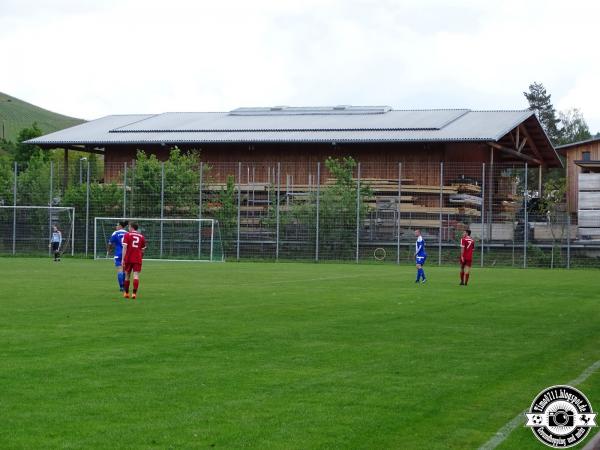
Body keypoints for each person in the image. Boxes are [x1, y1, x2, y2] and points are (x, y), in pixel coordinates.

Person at [122, 221, 147, 299]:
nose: (128, 228)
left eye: (129, 227)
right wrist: (140, 257)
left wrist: (123, 259)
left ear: (131, 227)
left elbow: (125, 247)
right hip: (137, 258)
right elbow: (143, 250)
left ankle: (126, 293)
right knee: (136, 275)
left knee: (127, 275)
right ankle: (134, 294)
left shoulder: (127, 235)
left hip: (128, 258)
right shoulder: (141, 237)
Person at [107, 220, 128, 292]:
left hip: (118, 253)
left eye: (117, 225)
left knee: (120, 270)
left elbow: (110, 243)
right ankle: (125, 286)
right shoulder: (127, 233)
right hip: (126, 254)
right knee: (124, 270)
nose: (116, 226)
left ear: (120, 226)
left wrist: (109, 250)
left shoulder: (115, 233)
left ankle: (121, 287)